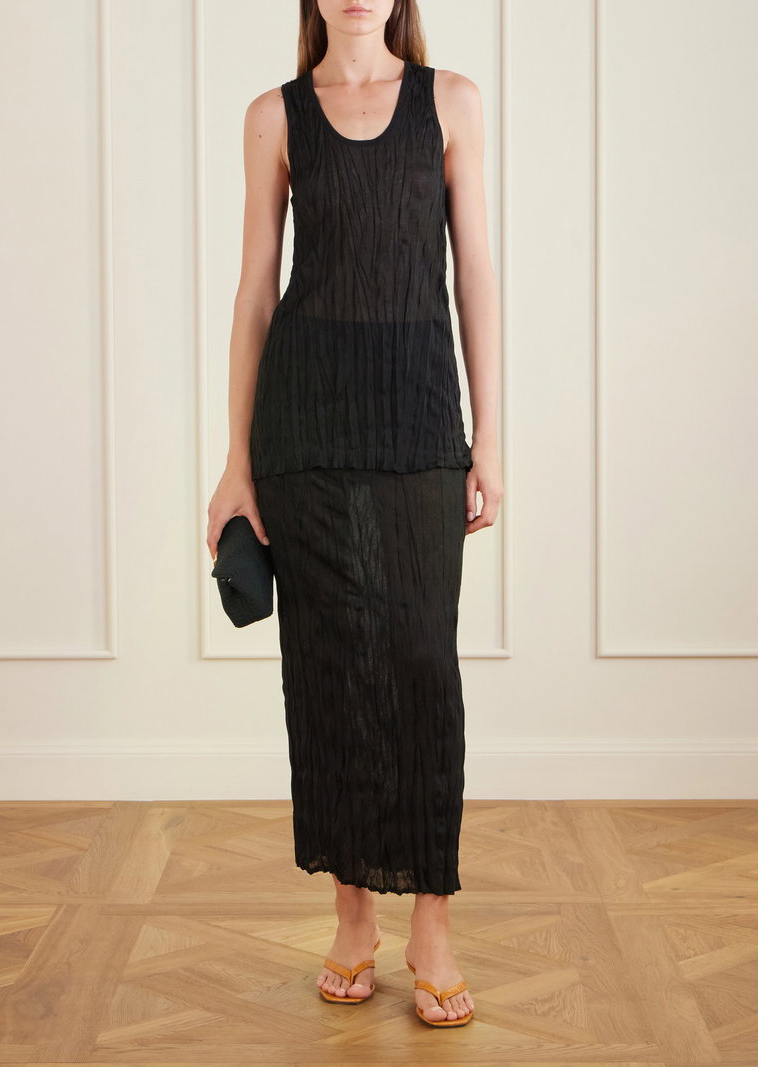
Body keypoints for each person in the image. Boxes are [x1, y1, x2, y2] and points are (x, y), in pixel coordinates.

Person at [206, 0, 501, 1028]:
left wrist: (490, 438)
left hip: (418, 414)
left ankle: (432, 922)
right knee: (330, 666)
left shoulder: (451, 102)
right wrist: (236, 462)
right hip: (304, 426)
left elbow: (474, 275)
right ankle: (352, 917)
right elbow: (255, 291)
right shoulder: (274, 115)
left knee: (420, 663)